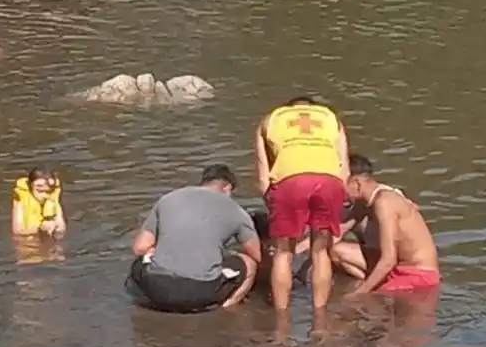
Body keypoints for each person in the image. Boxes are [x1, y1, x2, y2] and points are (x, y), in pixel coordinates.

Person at [254, 96, 350, 312]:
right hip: (328, 180)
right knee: (321, 250)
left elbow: (263, 177)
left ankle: (281, 315)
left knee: (283, 252)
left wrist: (272, 203)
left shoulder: (270, 120)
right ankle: (320, 313)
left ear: (289, 109)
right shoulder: (331, 118)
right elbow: (344, 170)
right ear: (313, 108)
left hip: (290, 181)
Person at [127, 164, 261, 313]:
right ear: (227, 187)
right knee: (249, 264)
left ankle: (145, 303)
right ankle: (227, 308)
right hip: (202, 292)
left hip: (157, 288)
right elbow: (256, 255)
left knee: (140, 262)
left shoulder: (168, 199)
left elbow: (139, 248)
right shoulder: (236, 210)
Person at [334, 153, 440, 294]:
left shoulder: (384, 203)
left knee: (362, 301)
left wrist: (359, 293)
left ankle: (373, 288)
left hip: (417, 274)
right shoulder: (366, 200)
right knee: (336, 254)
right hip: (399, 267)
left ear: (356, 183)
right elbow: (337, 231)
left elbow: (388, 260)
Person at [11, 167, 66, 237]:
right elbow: (17, 230)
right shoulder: (21, 200)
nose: (45, 196)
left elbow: (62, 227)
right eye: (40, 191)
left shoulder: (53, 199)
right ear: (30, 187)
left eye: (48, 192)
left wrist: (55, 226)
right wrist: (40, 229)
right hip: (27, 241)